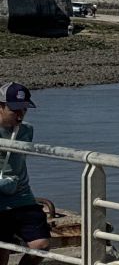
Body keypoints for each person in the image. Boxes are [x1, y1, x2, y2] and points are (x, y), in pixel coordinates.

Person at [0, 83, 47, 265]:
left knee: (41, 246)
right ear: (1, 106)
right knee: (1, 250)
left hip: (21, 196)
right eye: (15, 110)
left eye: (24, 109)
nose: (20, 115)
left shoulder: (27, 131)